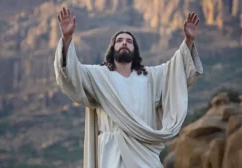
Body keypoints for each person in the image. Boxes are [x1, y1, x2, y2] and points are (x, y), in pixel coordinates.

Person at [54, 7, 203, 168]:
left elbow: (177, 70)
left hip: (143, 153)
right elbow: (71, 75)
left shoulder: (150, 77)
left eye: (129, 41)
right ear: (112, 49)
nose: (124, 42)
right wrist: (67, 38)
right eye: (119, 41)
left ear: (135, 50)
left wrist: (188, 41)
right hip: (112, 154)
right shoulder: (98, 75)